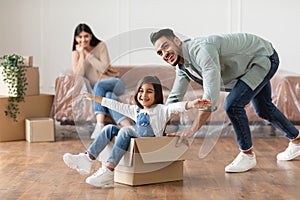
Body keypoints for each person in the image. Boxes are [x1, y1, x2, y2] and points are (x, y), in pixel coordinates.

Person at [150, 28, 300, 173]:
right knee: (264, 108)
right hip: (247, 66)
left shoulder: (202, 51)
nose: (164, 54)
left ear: (177, 40)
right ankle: (297, 140)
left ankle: (247, 154)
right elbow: (174, 98)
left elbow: (210, 98)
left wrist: (191, 130)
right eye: (159, 53)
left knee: (233, 105)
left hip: (262, 57)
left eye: (165, 46)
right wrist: (155, 126)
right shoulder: (182, 67)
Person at [63, 75, 212, 187]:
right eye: (141, 91)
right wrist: (94, 97)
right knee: (109, 128)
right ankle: (87, 158)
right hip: (137, 139)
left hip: (149, 143)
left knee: (126, 131)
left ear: (156, 94)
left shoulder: (162, 110)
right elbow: (114, 105)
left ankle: (109, 169)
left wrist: (193, 103)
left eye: (149, 92)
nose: (144, 95)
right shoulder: (136, 110)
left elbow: (178, 106)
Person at [56, 23, 131, 138]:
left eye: (86, 36)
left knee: (99, 86)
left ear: (91, 36)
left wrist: (87, 53)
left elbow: (104, 68)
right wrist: (81, 54)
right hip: (101, 90)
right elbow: (78, 74)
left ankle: (99, 125)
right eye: (80, 37)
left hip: (115, 82)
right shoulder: (76, 53)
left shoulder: (101, 46)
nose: (83, 39)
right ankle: (128, 127)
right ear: (75, 38)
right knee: (109, 97)